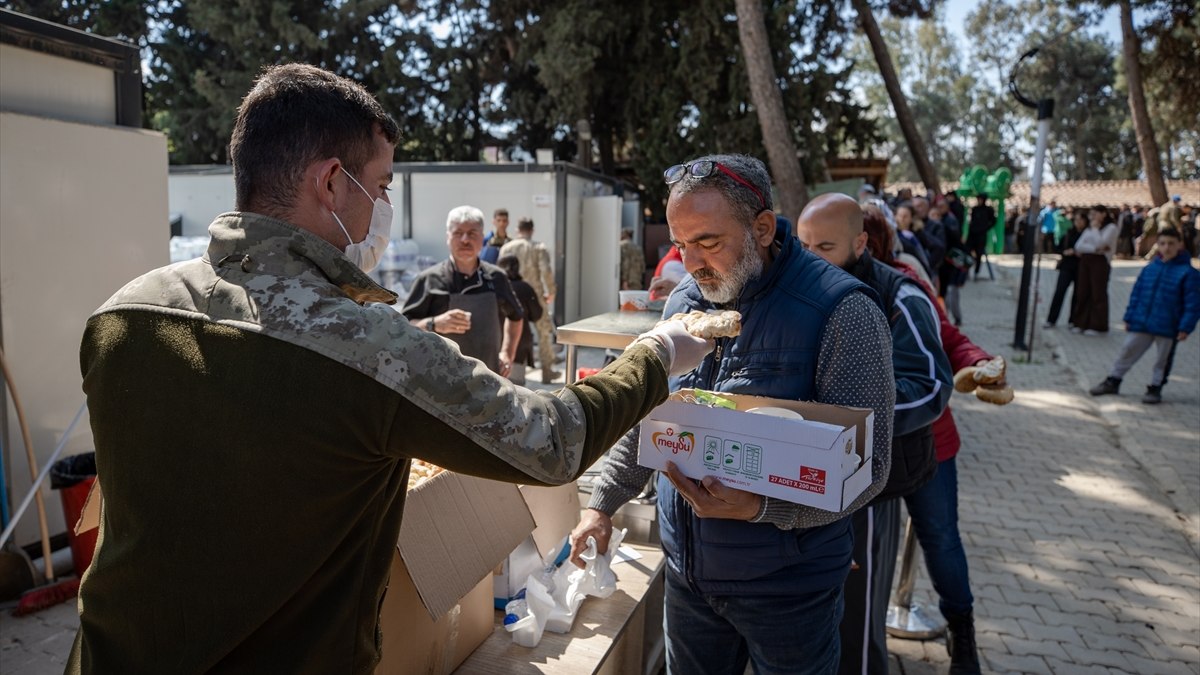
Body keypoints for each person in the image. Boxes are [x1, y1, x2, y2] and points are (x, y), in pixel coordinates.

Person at [66, 63, 717, 675]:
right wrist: (656, 356)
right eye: (378, 186)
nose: (382, 206)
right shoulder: (363, 344)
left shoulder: (123, 315)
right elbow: (551, 440)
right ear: (330, 183)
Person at [570, 154, 896, 674]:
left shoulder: (843, 311)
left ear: (762, 228)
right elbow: (653, 416)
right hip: (690, 580)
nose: (690, 261)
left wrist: (760, 509)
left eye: (708, 241)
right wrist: (601, 504)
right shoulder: (683, 299)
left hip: (790, 593)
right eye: (680, 243)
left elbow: (869, 469)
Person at [796, 194, 952, 675]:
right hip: (801, 474)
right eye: (803, 245)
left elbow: (930, 386)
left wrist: (850, 419)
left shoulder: (900, 295)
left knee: (857, 618)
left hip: (870, 481)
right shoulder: (796, 288)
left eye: (825, 246)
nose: (810, 257)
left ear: (861, 242)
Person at [860, 211, 1006, 675]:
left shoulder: (905, 285)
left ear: (865, 242)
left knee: (940, 539)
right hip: (866, 447)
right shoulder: (822, 286)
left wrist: (983, 363)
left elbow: (947, 337)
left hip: (927, 441)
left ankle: (962, 635)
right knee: (867, 554)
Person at [402, 206, 524, 376]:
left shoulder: (497, 277)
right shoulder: (429, 279)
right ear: (448, 237)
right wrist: (434, 323)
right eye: (458, 233)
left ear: (482, 238)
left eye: (472, 233)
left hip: (489, 379)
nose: (465, 240)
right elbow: (404, 327)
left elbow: (516, 316)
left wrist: (507, 353)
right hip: (439, 382)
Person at [1089, 227, 1200, 404]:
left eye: (1171, 243)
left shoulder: (1189, 273)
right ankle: (1113, 380)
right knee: (1127, 351)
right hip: (1142, 321)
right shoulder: (1150, 268)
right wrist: (1129, 316)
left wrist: (1185, 327)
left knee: (1162, 361)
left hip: (1168, 325)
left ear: (1180, 245)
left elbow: (1193, 304)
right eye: (1163, 243)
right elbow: (1137, 293)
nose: (1167, 247)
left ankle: (1155, 388)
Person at [500, 218, 559, 382]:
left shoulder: (506, 248)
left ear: (517, 230)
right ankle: (547, 372)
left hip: (511, 294)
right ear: (531, 230)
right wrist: (551, 291)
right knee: (544, 333)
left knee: (509, 331)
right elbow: (545, 270)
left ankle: (508, 367)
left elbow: (499, 270)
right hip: (535, 295)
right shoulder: (539, 247)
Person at [1069, 204, 1119, 335]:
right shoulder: (1089, 229)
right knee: (1083, 292)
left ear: (1103, 214)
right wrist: (1094, 249)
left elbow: (1101, 243)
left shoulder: (1111, 228)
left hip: (1100, 263)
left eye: (1095, 214)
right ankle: (1080, 323)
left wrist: (1096, 231)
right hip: (1086, 262)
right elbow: (1079, 246)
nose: (1093, 217)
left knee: (1098, 293)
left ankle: (1098, 325)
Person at [496, 254, 543, 385]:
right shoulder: (525, 288)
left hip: (493, 345)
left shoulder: (491, 288)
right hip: (519, 344)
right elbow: (537, 314)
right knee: (516, 390)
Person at [1044, 210, 1089, 329]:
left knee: (1077, 295)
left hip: (1081, 268)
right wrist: (1066, 252)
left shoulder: (1088, 235)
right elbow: (1058, 248)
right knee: (1059, 292)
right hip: (1067, 266)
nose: (1078, 223)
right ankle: (1051, 320)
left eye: (1080, 220)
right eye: (1076, 220)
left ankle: (1073, 321)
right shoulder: (1069, 233)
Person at [966, 194, 995, 280]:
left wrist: (985, 228)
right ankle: (966, 271)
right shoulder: (975, 209)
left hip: (981, 236)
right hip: (972, 235)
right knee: (967, 252)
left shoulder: (988, 210)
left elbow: (993, 221)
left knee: (979, 254)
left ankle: (976, 272)